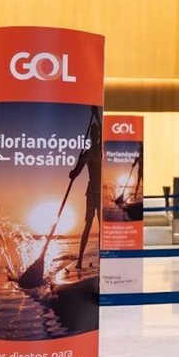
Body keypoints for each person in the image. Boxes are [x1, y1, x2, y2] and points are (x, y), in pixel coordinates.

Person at [69, 108, 102, 271]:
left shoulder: (101, 150)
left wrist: (96, 115)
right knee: (88, 224)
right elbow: (77, 171)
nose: (96, 136)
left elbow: (103, 131)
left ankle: (102, 258)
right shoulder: (88, 153)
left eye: (97, 134)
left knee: (102, 226)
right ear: (91, 137)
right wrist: (73, 173)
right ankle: (80, 260)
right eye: (93, 134)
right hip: (91, 192)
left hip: (101, 194)